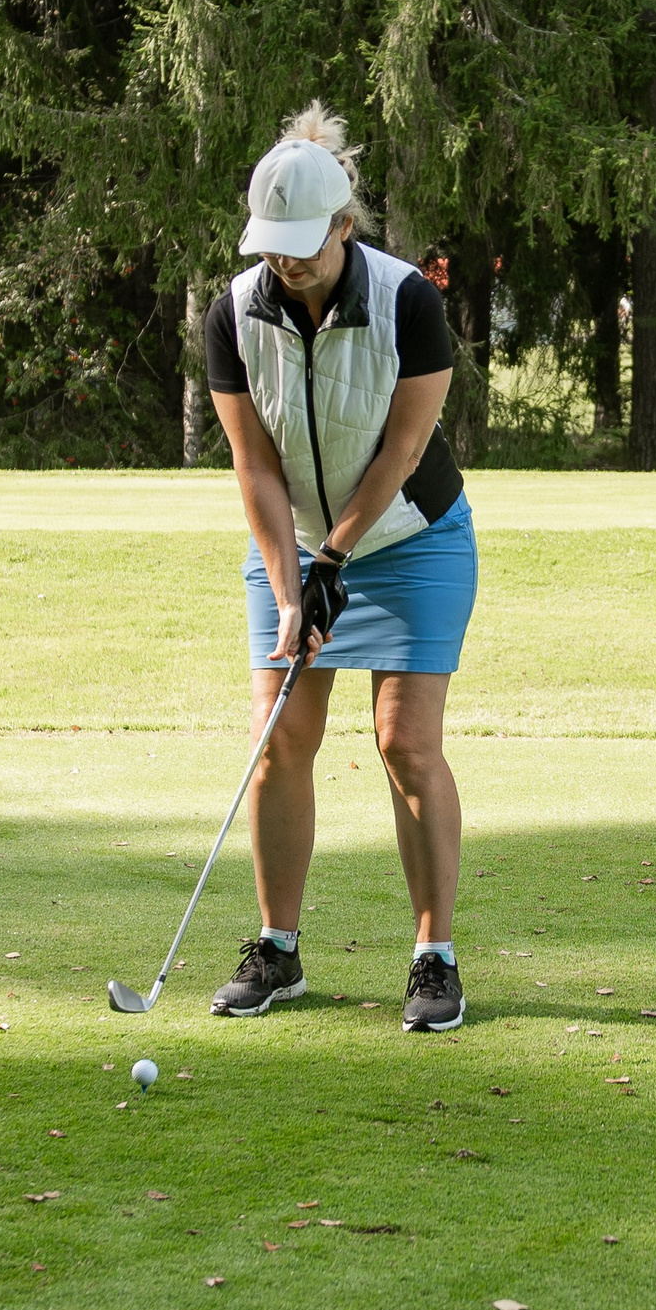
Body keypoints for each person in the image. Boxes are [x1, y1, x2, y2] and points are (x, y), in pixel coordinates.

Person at [201, 102, 477, 1032]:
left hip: (411, 538)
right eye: (271, 248)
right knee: (279, 736)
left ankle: (434, 959)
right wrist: (291, 588)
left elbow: (403, 451)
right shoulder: (233, 314)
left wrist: (334, 556)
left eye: (303, 249)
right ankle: (277, 950)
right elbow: (255, 464)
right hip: (292, 543)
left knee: (404, 740)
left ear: (345, 228)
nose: (285, 265)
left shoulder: (409, 301)